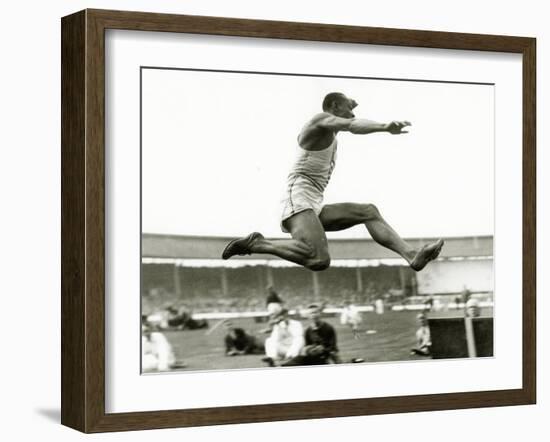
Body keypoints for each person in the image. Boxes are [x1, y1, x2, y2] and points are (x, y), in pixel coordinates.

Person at [222, 92, 444, 271]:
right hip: (298, 197)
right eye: (347, 108)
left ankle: (412, 256)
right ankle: (257, 244)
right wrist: (384, 127)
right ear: (334, 106)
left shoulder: (331, 130)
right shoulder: (319, 121)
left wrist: (351, 105)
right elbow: (352, 125)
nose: (352, 113)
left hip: (314, 201)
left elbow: (349, 120)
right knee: (319, 260)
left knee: (368, 211)